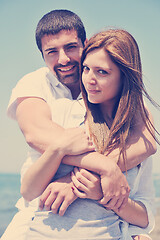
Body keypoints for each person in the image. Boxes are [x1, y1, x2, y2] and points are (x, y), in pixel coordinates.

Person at [2, 9, 156, 239]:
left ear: (85, 44)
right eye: (52, 51)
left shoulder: (132, 123)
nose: (63, 59)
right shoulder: (42, 91)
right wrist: (106, 168)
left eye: (71, 47)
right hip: (38, 219)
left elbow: (149, 141)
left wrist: (81, 184)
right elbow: (38, 138)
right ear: (42, 55)